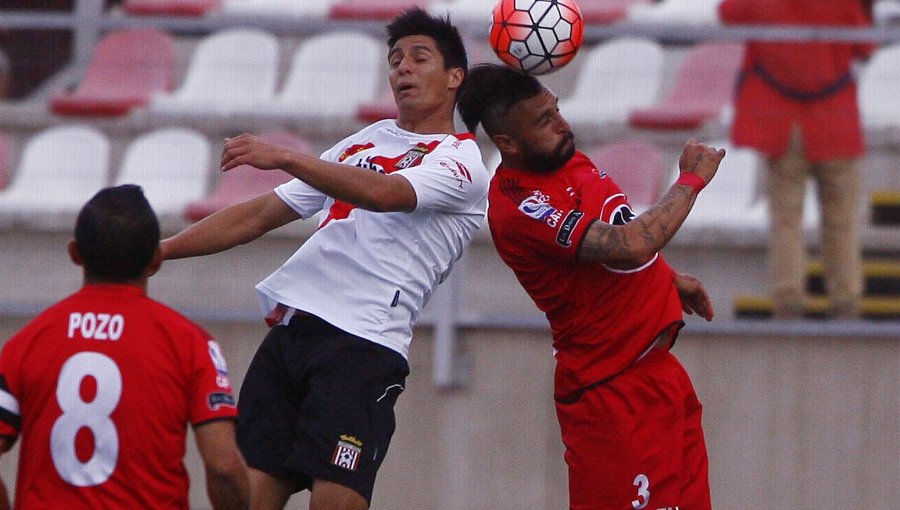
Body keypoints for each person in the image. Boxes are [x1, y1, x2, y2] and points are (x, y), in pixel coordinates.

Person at [160, 8, 488, 510]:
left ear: (454, 77)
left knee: (335, 500)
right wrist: (162, 251)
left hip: (361, 346)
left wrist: (288, 156)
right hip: (293, 330)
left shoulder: (461, 162)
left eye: (420, 58)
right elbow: (260, 214)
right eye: (395, 59)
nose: (402, 68)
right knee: (250, 496)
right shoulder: (369, 138)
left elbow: (386, 194)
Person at [457, 63, 725, 510]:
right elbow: (628, 245)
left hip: (659, 377)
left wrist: (665, 277)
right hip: (612, 393)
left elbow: (612, 235)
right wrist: (690, 181)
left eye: (556, 110)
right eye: (544, 120)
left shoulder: (565, 155)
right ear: (507, 143)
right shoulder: (520, 203)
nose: (563, 125)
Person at [0, 184, 249, 510]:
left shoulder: (26, 342)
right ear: (156, 260)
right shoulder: (190, 343)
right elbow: (224, 467)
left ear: (75, 253)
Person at [719, 0, 876, 319]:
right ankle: (845, 303)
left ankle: (788, 302)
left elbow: (728, 13)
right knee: (841, 220)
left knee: (786, 219)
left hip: (781, 121)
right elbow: (865, 46)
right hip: (835, 121)